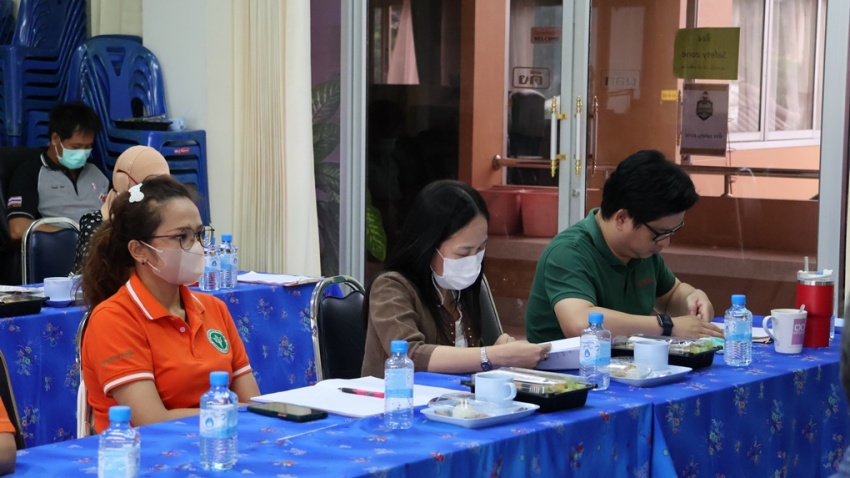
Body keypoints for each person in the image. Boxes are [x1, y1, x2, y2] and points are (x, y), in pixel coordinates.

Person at [80, 175, 259, 433]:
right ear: (139, 250)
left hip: (218, 442)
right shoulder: (113, 319)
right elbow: (153, 421)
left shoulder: (213, 308)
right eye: (182, 236)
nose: (196, 246)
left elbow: (251, 402)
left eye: (199, 234)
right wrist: (233, 412)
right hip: (143, 452)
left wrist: (240, 413)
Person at [525, 150, 724, 342]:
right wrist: (667, 326)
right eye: (659, 233)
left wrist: (693, 298)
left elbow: (672, 295)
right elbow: (580, 323)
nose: (665, 242)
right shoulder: (568, 252)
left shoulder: (642, 253)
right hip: (568, 364)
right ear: (622, 218)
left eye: (673, 231)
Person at [361, 180, 550, 378]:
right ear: (428, 245)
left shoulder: (460, 289)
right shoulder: (390, 287)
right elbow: (411, 354)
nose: (473, 259)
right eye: (464, 252)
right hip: (399, 396)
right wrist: (494, 355)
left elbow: (469, 361)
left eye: (481, 248)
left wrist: (498, 351)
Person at [5, 102, 109, 241]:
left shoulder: (97, 172)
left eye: (87, 147)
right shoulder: (30, 173)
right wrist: (75, 236)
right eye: (76, 147)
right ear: (55, 139)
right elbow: (18, 228)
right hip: (61, 246)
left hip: (104, 246)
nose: (82, 153)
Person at [73, 145, 170, 272]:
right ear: (123, 180)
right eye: (150, 186)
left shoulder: (168, 219)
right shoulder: (94, 222)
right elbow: (92, 272)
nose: (158, 194)